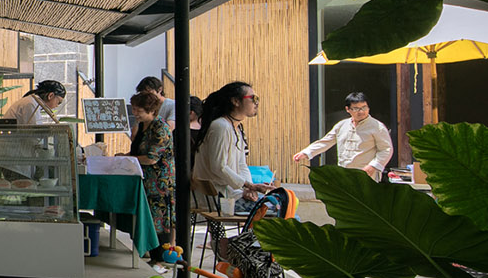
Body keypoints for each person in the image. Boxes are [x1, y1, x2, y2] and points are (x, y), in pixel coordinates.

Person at [192, 81, 273, 216]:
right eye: (253, 98)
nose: (257, 102)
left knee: (277, 205)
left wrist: (249, 188)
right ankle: (244, 238)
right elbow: (218, 166)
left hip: (228, 195)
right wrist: (247, 186)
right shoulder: (221, 127)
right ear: (235, 101)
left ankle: (239, 238)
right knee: (279, 209)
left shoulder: (235, 128)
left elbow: (242, 165)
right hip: (219, 199)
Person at [292, 92, 394, 181]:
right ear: (348, 109)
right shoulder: (342, 125)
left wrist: (373, 166)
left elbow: (386, 149)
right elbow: (326, 141)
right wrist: (306, 153)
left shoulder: (377, 127)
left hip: (366, 173)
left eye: (364, 107)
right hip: (344, 174)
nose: (361, 111)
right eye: (356, 108)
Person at [129, 89, 175, 255]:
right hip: (144, 178)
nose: (135, 114)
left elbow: (152, 158)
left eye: (139, 111)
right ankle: (149, 251)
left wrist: (129, 159)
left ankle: (160, 256)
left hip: (159, 181)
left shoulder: (161, 128)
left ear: (152, 111)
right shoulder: (142, 126)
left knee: (159, 218)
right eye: (134, 109)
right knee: (147, 216)